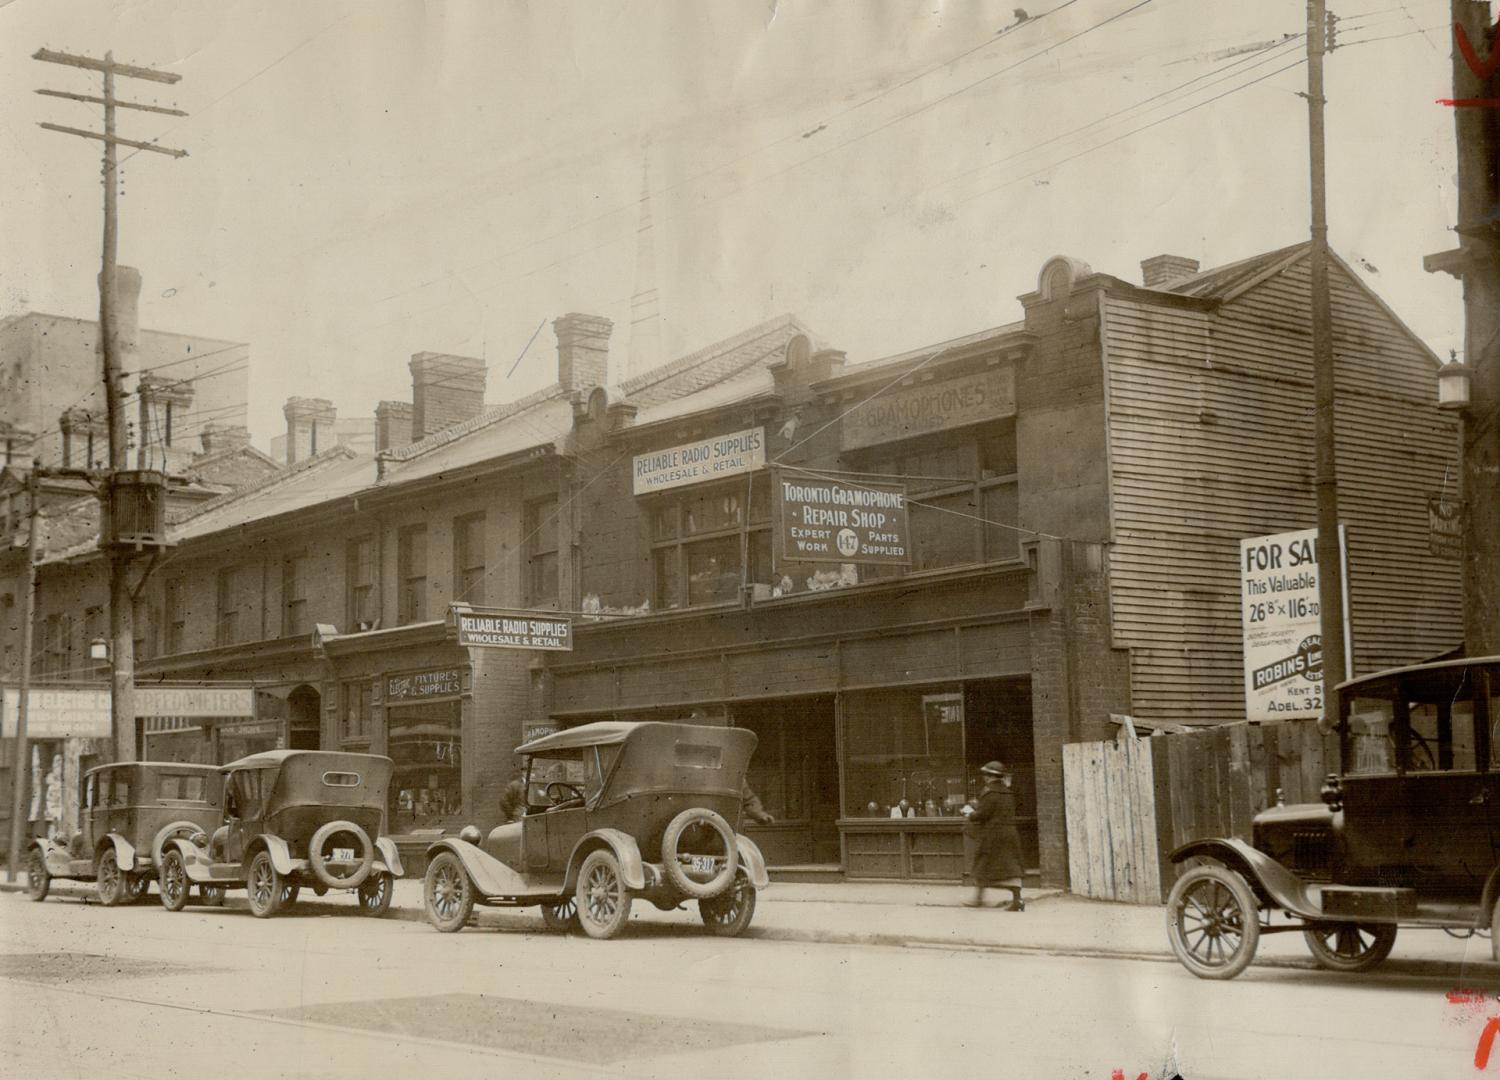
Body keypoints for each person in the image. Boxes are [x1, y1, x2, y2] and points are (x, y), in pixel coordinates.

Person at [962, 761, 1025, 911]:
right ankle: (1017, 900)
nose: (984, 777)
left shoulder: (989, 792)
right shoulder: (1007, 792)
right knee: (1011, 866)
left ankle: (978, 899)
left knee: (984, 864)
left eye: (986, 774)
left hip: (992, 835)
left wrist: (970, 813)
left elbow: (982, 815)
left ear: (990, 777)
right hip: (1009, 834)